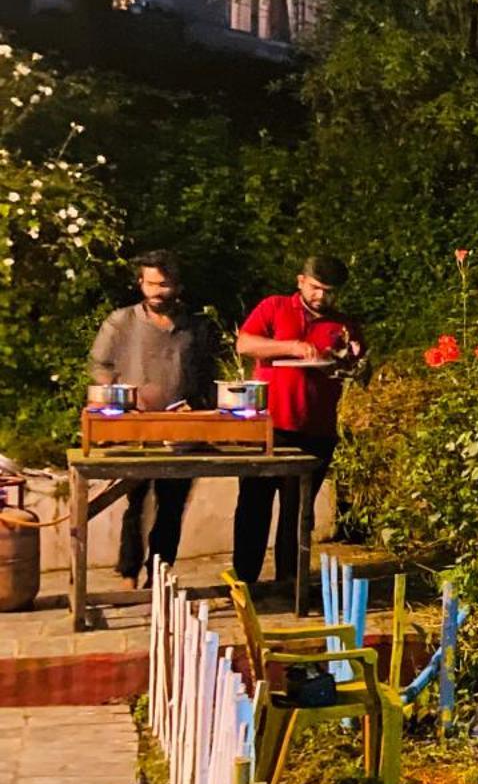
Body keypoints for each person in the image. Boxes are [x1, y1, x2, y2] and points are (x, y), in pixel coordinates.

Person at [231, 255, 363, 593]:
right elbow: (245, 343)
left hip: (315, 429)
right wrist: (290, 346)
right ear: (300, 281)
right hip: (267, 425)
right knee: (254, 504)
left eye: (329, 292)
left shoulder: (343, 325)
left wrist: (349, 360)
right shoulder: (275, 307)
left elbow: (355, 371)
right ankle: (245, 580)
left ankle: (290, 581)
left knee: (298, 511)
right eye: (316, 288)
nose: (321, 297)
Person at [87, 250, 218, 587]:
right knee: (135, 502)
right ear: (140, 283)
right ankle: (128, 571)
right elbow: (99, 366)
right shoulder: (121, 322)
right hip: (135, 428)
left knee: (172, 505)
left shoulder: (194, 327)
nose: (158, 291)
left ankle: (158, 572)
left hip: (182, 430)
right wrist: (119, 397)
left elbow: (206, 375)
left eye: (165, 284)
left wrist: (200, 405)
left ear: (178, 286)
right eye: (152, 283)